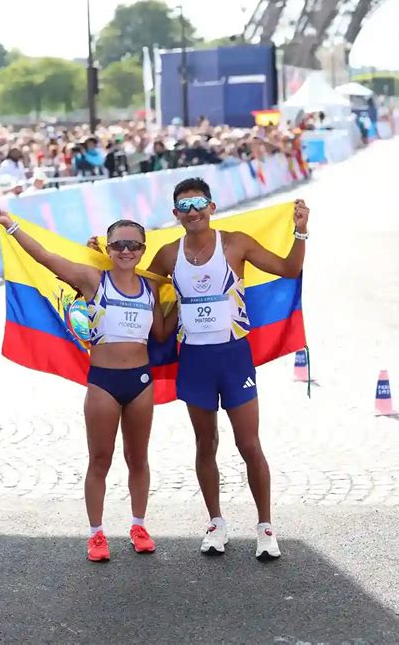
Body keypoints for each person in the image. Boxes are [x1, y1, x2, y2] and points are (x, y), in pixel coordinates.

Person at [90, 178, 309, 559]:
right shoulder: (169, 254)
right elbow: (132, 273)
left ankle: (265, 527)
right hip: (194, 360)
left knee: (248, 444)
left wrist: (300, 230)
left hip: (234, 356)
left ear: (212, 207)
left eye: (199, 203)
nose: (193, 211)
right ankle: (216, 522)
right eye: (185, 206)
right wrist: (98, 256)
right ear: (175, 214)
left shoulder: (235, 243)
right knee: (205, 443)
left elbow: (289, 269)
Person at [0, 206, 177, 562]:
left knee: (138, 457)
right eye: (118, 244)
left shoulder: (151, 287)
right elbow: (45, 257)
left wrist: (182, 301)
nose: (125, 251)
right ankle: (96, 533)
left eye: (133, 245)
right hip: (103, 382)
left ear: (143, 249)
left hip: (141, 381)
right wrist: (11, 224)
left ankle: (138, 525)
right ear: (107, 248)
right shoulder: (93, 280)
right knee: (100, 460)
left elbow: (162, 333)